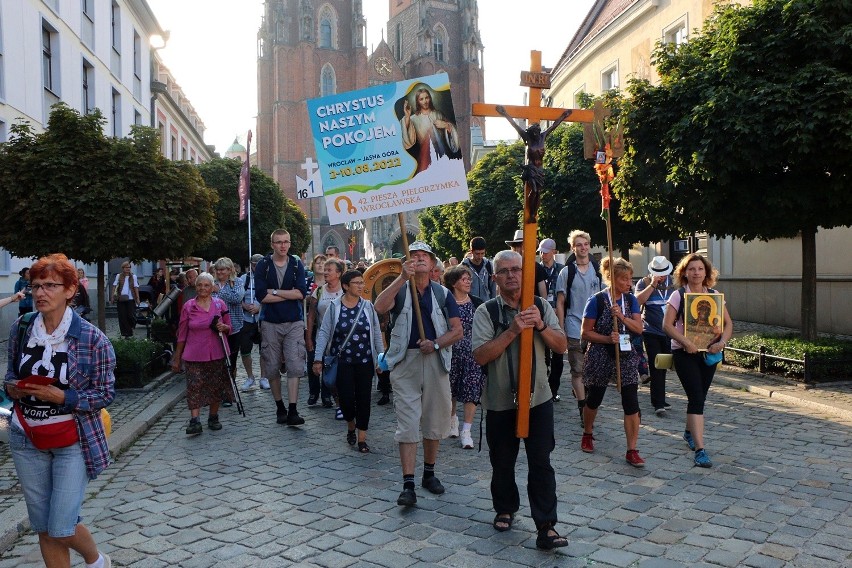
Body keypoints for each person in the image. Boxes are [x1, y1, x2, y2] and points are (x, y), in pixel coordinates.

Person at [4, 253, 114, 568]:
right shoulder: (22, 327)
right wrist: (13, 387)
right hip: (26, 437)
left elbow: (105, 393)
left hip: (72, 439)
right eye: (36, 285)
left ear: (69, 290)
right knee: (44, 528)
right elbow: (12, 372)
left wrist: (63, 397)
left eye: (50, 285)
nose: (40, 292)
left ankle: (96, 561)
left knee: (61, 526)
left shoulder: (93, 339)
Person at [471, 250, 569, 550]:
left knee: (541, 462)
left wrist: (540, 325)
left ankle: (546, 525)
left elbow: (562, 345)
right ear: (495, 277)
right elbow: (480, 355)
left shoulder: (540, 306)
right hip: (501, 401)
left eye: (517, 269)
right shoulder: (486, 312)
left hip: (538, 399)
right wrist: (513, 330)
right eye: (505, 271)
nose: (512, 275)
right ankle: (505, 506)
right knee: (502, 462)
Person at [374, 241, 462, 507]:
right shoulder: (400, 288)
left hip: (435, 360)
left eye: (424, 255)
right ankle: (408, 483)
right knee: (408, 423)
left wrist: (435, 343)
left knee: (435, 420)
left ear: (434, 264)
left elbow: (457, 331)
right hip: (405, 361)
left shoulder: (442, 293)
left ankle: (430, 473)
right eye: (414, 256)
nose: (419, 259)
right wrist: (402, 277)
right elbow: (379, 307)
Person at [663, 253, 733, 468]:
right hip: (685, 353)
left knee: (699, 396)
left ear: (707, 272)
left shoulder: (714, 295)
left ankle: (688, 431)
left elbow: (728, 324)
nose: (696, 273)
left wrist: (721, 342)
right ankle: (700, 449)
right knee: (695, 396)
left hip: (708, 352)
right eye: (691, 269)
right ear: (684, 272)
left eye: (700, 269)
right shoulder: (679, 295)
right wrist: (685, 342)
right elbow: (666, 325)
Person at [580, 257, 647, 467]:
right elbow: (586, 333)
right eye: (624, 279)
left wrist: (622, 317)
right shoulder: (597, 301)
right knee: (595, 398)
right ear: (612, 279)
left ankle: (632, 449)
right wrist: (607, 338)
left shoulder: (631, 301)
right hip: (601, 354)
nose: (629, 283)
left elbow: (638, 328)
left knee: (631, 402)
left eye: (630, 278)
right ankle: (588, 432)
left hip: (626, 354)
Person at [313, 270, 384, 453]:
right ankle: (350, 425)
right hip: (342, 362)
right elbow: (324, 333)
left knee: (363, 399)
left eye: (362, 283)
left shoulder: (368, 307)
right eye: (357, 283)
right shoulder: (335, 307)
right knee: (345, 400)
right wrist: (317, 359)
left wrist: (381, 358)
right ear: (346, 286)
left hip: (365, 361)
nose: (361, 286)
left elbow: (376, 333)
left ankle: (362, 438)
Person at [255, 229, 308, 426]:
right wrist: (288, 293)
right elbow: (262, 296)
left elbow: (301, 293)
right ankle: (280, 407)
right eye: (279, 242)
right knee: (272, 366)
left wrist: (275, 291)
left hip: (294, 321)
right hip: (270, 322)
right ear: (272, 245)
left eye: (286, 242)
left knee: (295, 365)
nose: (283, 246)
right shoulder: (263, 265)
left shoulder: (296, 264)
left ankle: (293, 409)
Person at [171, 272, 233, 435]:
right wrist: (177, 358)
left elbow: (229, 327)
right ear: (195, 287)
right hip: (194, 354)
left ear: (212, 287)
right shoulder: (189, 306)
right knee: (194, 386)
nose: (203, 288)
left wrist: (224, 328)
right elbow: (182, 333)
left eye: (206, 285)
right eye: (199, 285)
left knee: (215, 386)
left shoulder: (220, 305)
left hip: (216, 352)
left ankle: (213, 416)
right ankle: (195, 420)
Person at [555, 230, 602, 425]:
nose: (583, 248)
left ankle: (588, 401)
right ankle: (582, 406)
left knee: (594, 371)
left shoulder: (598, 270)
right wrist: (561, 328)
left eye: (585, 244)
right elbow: (560, 302)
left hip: (595, 329)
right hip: (574, 326)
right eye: (579, 245)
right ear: (572, 248)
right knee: (578, 370)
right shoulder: (567, 272)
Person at [444, 265, 485, 449]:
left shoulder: (476, 302)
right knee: (450, 390)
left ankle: (467, 431)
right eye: (464, 279)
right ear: (454, 282)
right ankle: (452, 419)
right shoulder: (446, 303)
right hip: (450, 353)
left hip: (472, 353)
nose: (468, 282)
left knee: (472, 391)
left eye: (469, 279)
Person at [635, 256, 675, 417]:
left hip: (669, 332)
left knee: (664, 365)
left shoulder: (674, 283)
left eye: (664, 273)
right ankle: (658, 403)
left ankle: (660, 397)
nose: (662, 276)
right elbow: (637, 301)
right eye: (659, 273)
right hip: (651, 331)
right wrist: (652, 284)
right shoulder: (643, 283)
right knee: (656, 365)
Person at [306, 258, 344, 409]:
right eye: (325, 269)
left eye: (329, 270)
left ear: (339, 273)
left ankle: (327, 395)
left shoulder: (345, 290)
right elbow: (311, 315)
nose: (325, 272)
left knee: (331, 366)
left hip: (340, 338)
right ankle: (314, 392)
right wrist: (308, 338)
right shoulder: (319, 291)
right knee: (315, 363)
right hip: (321, 335)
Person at [400, 87, 460, 174]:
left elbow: (455, 134)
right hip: (426, 159)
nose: (425, 101)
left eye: (426, 98)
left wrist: (447, 126)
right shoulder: (413, 119)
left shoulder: (438, 114)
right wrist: (407, 116)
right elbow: (407, 142)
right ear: (418, 101)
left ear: (430, 98)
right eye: (421, 99)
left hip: (445, 156)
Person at [538, 238, 565, 402]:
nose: (543, 255)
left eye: (546, 252)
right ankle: (544, 388)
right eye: (541, 251)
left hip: (558, 316)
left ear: (554, 252)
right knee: (543, 356)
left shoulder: (563, 270)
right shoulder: (536, 270)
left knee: (558, 357)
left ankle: (553, 389)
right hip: (540, 317)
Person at [212, 257, 246, 378]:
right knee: (219, 359)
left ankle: (231, 384)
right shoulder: (212, 283)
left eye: (223, 269)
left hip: (234, 326)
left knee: (232, 359)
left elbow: (237, 298)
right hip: (215, 327)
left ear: (230, 270)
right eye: (218, 269)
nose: (220, 272)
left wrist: (219, 292)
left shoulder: (237, 282)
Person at [240, 254, 268, 391]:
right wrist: (244, 306)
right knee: (245, 349)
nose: (256, 267)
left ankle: (264, 377)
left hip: (262, 318)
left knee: (264, 349)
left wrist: (260, 307)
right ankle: (250, 377)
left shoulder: (267, 279)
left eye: (259, 264)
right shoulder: (243, 279)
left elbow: (271, 297)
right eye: (254, 264)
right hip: (246, 319)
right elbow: (237, 297)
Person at [504, 230, 548, 298]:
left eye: (524, 246)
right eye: (518, 246)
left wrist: (542, 307)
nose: (522, 249)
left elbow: (543, 295)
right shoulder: (506, 266)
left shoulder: (536, 267)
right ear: (513, 248)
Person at [461, 236, 495, 301]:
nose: (480, 257)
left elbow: (493, 286)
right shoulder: (463, 267)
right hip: (470, 304)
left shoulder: (489, 265)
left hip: (486, 304)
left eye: (482, 253)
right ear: (471, 251)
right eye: (477, 254)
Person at [111, 262, 140, 339]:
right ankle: (126, 333)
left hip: (131, 299)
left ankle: (131, 326)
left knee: (131, 315)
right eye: (126, 267)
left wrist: (137, 298)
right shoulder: (118, 276)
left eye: (129, 267)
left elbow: (136, 287)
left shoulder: (133, 276)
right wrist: (112, 297)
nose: (128, 269)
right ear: (123, 268)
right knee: (122, 316)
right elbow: (114, 286)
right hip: (121, 299)